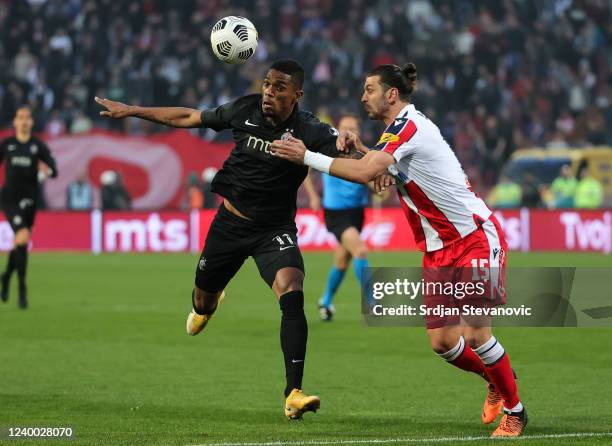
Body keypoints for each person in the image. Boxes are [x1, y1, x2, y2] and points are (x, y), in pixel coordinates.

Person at [271, 63, 527, 437]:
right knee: (443, 342)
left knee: (475, 334)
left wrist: (306, 155)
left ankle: (516, 412)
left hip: (473, 237)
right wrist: (363, 151)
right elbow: (380, 170)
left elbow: (366, 173)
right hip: (439, 250)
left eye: (369, 89)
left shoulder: (410, 126)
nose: (363, 97)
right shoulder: (396, 131)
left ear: (392, 94)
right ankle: (496, 379)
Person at [95, 59, 355, 420]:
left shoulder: (309, 129)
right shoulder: (245, 108)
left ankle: (293, 392)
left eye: (279, 87)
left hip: (274, 230)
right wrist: (134, 111)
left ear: (297, 95)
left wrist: (369, 154)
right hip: (229, 225)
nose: (269, 92)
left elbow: (349, 152)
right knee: (202, 300)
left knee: (292, 291)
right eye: (267, 84)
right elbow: (189, 118)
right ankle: (209, 304)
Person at [303, 114, 371, 321]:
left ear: (358, 131)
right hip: (336, 214)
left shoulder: (363, 153)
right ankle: (373, 302)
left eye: (352, 127)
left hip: (357, 212)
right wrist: (314, 196)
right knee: (360, 250)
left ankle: (325, 301)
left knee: (342, 261)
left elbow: (371, 178)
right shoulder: (330, 147)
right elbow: (306, 168)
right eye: (344, 127)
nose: (348, 131)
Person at [0, 106, 58, 309]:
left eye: (27, 118)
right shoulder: (7, 145)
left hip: (30, 201)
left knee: (20, 244)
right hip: (9, 200)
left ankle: (6, 277)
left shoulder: (38, 146)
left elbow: (54, 171)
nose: (24, 121)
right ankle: (22, 288)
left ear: (31, 122)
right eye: (20, 118)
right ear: (15, 122)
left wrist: (46, 169)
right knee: (22, 235)